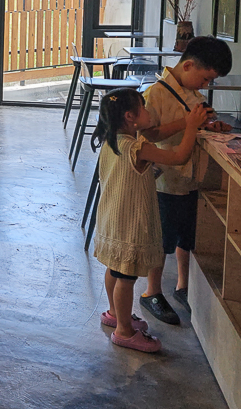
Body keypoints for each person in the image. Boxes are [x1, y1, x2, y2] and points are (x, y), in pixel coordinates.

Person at [92, 88, 209, 352]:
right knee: (126, 277)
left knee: (114, 268)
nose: (149, 113)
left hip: (111, 218)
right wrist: (191, 125)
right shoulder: (138, 147)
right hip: (129, 223)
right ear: (130, 117)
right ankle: (123, 331)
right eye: (144, 108)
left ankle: (114, 313)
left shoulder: (112, 141)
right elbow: (179, 156)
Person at [138, 36, 233, 325]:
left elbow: (198, 126)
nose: (205, 86)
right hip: (165, 180)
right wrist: (187, 123)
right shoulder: (157, 93)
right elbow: (150, 135)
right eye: (205, 78)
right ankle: (151, 292)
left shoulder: (194, 93)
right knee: (161, 240)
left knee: (187, 236)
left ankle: (183, 285)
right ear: (188, 65)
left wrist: (210, 126)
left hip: (192, 179)